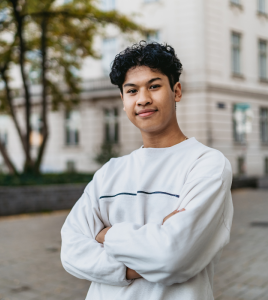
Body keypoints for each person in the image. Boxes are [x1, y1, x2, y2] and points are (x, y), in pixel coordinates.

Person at [61, 41, 234, 300]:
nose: (143, 99)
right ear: (122, 100)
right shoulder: (110, 172)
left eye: (154, 86)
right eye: (132, 91)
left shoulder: (206, 164)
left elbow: (173, 255)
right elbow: (71, 252)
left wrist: (106, 235)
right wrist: (148, 250)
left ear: (176, 91)